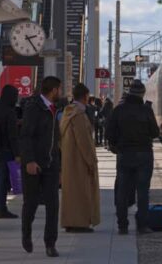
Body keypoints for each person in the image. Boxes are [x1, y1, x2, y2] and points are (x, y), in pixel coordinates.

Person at [106, 80, 159, 235]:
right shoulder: (146, 111)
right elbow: (155, 133)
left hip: (124, 155)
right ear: (142, 94)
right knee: (142, 192)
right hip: (144, 155)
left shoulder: (119, 110)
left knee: (122, 191)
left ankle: (122, 226)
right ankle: (142, 225)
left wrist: (116, 145)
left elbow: (109, 133)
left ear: (129, 93)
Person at [19, 76, 63, 258]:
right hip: (34, 164)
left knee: (53, 205)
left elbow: (56, 141)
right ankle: (26, 234)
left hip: (51, 164)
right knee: (31, 203)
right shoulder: (34, 108)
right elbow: (26, 135)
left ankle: (50, 243)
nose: (61, 92)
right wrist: (29, 160)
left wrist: (60, 167)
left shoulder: (54, 109)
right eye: (59, 89)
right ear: (53, 90)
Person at [60, 83, 100, 233]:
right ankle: (80, 223)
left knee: (70, 193)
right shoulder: (79, 115)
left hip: (69, 159)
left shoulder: (67, 112)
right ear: (85, 97)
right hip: (80, 161)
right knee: (82, 193)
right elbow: (84, 141)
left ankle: (69, 221)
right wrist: (91, 161)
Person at [0, 85, 20, 219]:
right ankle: (1, 208)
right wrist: (17, 154)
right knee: (3, 180)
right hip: (6, 150)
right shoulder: (9, 112)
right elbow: (12, 136)